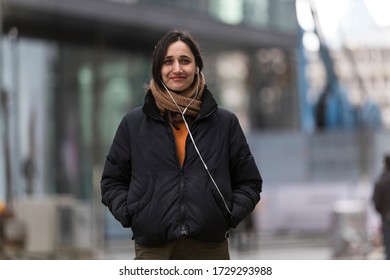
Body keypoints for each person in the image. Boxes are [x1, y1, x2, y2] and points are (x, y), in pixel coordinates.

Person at [100, 29, 263, 260]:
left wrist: (227, 214)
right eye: (168, 62)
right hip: (154, 250)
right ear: (158, 68)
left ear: (197, 67)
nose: (177, 69)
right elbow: (111, 181)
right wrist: (132, 214)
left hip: (210, 249)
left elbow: (249, 182)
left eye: (184, 61)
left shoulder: (224, 123)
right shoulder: (134, 123)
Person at [372, 154, 390, 260]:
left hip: (387, 218)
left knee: (388, 247)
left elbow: (376, 202)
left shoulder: (381, 181)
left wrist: (383, 212)